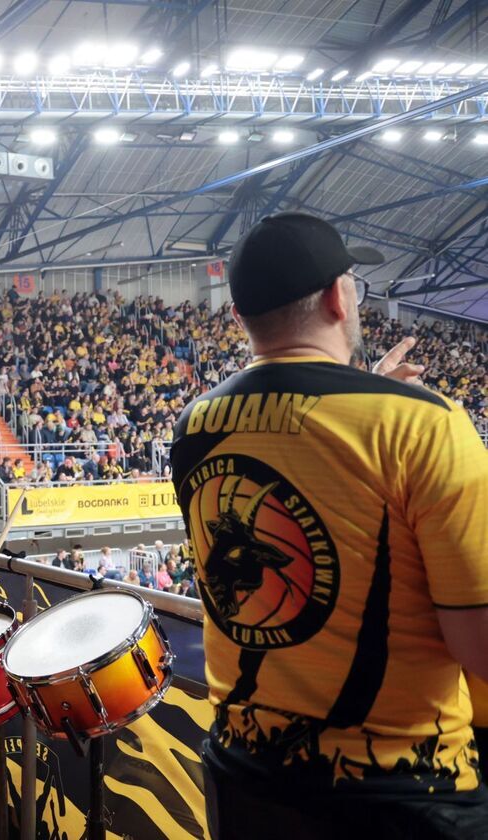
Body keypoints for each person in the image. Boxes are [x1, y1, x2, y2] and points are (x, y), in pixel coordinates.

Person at [170, 212, 488, 838]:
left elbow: (297, 449)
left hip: (247, 774)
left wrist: (366, 393)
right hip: (402, 788)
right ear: (339, 298)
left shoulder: (194, 425)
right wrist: (382, 403)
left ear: (239, 318)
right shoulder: (425, 425)